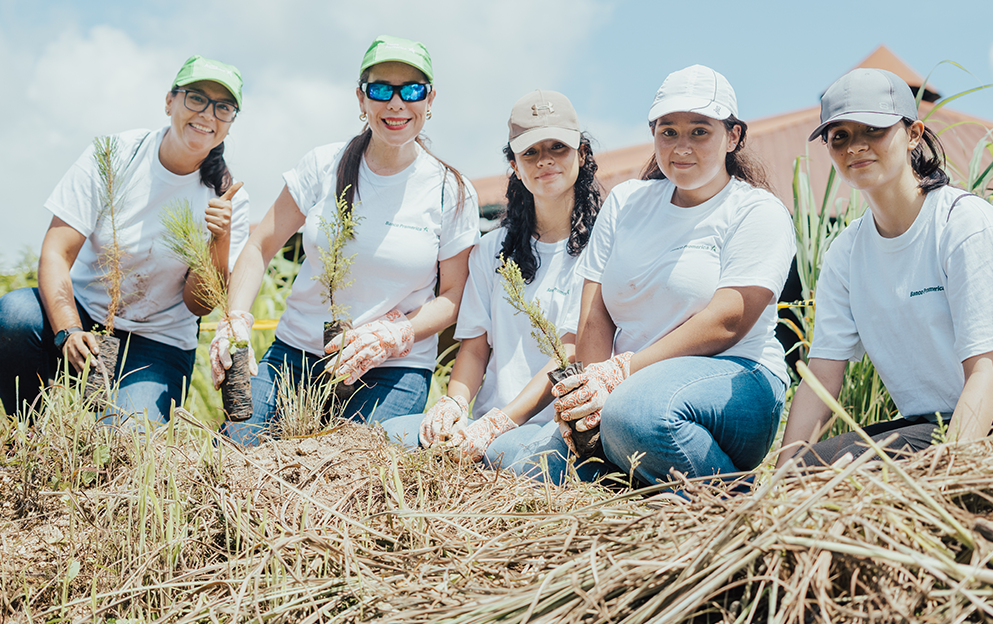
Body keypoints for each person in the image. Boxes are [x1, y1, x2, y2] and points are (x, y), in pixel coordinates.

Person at [213, 35, 478, 445]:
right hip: (297, 356)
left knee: (348, 474)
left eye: (411, 90)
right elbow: (259, 246)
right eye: (380, 90)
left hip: (392, 371)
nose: (395, 104)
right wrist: (236, 320)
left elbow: (454, 296)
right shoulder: (323, 165)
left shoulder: (451, 190)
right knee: (234, 456)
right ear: (360, 98)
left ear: (430, 99)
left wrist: (393, 335)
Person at [551, 64, 796, 487]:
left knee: (636, 414)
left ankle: (734, 504)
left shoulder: (757, 211)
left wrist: (621, 373)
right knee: (520, 459)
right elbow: (595, 313)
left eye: (699, 131)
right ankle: (647, 485)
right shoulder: (627, 201)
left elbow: (728, 320)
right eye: (668, 132)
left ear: (733, 136)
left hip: (738, 379)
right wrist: (591, 400)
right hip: (629, 387)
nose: (681, 146)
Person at [779, 68, 993, 466]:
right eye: (839, 136)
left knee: (840, 472)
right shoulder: (846, 251)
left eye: (873, 129)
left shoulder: (963, 225)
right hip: (925, 426)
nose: (855, 146)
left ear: (913, 134)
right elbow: (822, 376)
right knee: (804, 470)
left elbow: (984, 373)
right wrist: (777, 486)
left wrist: (947, 480)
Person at [0, 55, 250, 424]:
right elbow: (55, 252)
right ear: (170, 101)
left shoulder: (228, 198)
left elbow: (198, 305)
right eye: (196, 98)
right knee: (16, 316)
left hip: (157, 344)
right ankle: (35, 437)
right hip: (84, 318)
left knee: (125, 444)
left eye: (223, 107)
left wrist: (219, 237)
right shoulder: (114, 156)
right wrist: (68, 330)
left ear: (230, 123)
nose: (208, 114)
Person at [382, 90, 608, 483]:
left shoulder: (603, 245)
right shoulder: (491, 251)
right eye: (530, 152)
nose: (545, 161)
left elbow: (569, 351)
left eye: (558, 147)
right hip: (486, 421)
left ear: (582, 155)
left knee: (513, 458)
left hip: (551, 426)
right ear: (514, 165)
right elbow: (474, 347)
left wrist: (498, 425)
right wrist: (454, 405)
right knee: (390, 434)